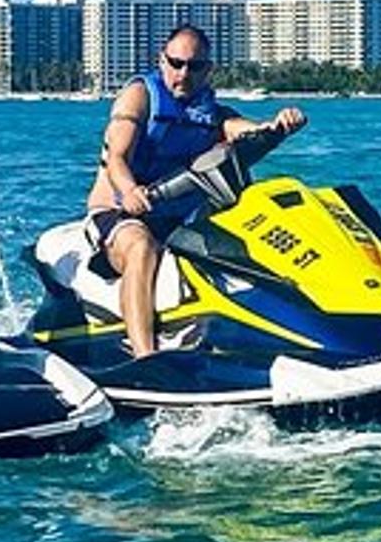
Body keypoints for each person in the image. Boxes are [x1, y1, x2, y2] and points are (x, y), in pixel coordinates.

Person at [85, 25, 306, 358]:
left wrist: (278, 127)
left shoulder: (210, 110)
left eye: (195, 66)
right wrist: (130, 190)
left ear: (208, 70)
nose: (183, 73)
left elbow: (244, 130)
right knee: (142, 247)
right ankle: (146, 357)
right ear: (162, 60)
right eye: (176, 63)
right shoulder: (140, 96)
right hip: (118, 212)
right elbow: (116, 156)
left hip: (178, 220)